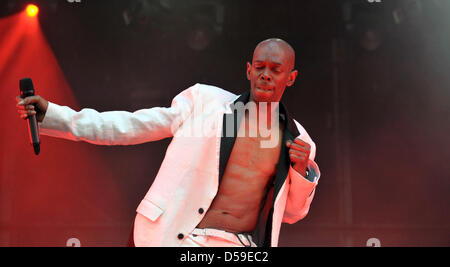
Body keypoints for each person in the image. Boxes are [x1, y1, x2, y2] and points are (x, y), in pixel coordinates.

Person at [16, 38, 320, 247]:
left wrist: (302, 171)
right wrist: (55, 115)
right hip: (181, 235)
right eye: (260, 67)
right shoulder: (207, 102)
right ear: (248, 70)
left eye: (276, 70)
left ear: (290, 77)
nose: (265, 75)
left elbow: (292, 214)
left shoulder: (298, 139)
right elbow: (132, 125)